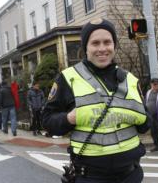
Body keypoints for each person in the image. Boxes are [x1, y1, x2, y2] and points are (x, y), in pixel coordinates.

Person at [42, 19, 150, 183]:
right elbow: (47, 121)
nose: (102, 48)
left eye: (107, 42)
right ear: (86, 47)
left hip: (131, 175)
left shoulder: (130, 80)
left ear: (114, 45)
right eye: (95, 43)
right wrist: (69, 118)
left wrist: (139, 115)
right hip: (90, 177)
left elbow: (146, 125)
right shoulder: (68, 78)